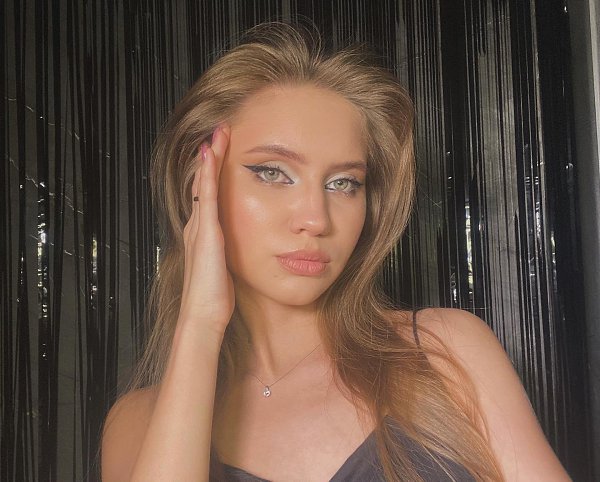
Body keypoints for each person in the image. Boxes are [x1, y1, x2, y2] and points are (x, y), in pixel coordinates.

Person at [100, 21, 570, 481]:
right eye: (272, 173)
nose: (317, 219)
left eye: (343, 183)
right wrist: (200, 324)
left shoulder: (443, 355)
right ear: (198, 184)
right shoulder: (138, 424)